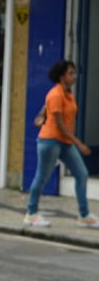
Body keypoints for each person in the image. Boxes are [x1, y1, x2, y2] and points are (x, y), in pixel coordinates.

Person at [24, 60, 98, 228]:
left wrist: (43, 115)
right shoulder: (55, 94)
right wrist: (79, 144)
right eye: (70, 73)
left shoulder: (68, 94)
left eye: (74, 73)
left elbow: (46, 111)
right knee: (42, 177)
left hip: (64, 142)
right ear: (61, 76)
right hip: (50, 141)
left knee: (82, 173)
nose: (74, 76)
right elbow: (60, 126)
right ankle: (31, 213)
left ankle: (84, 215)